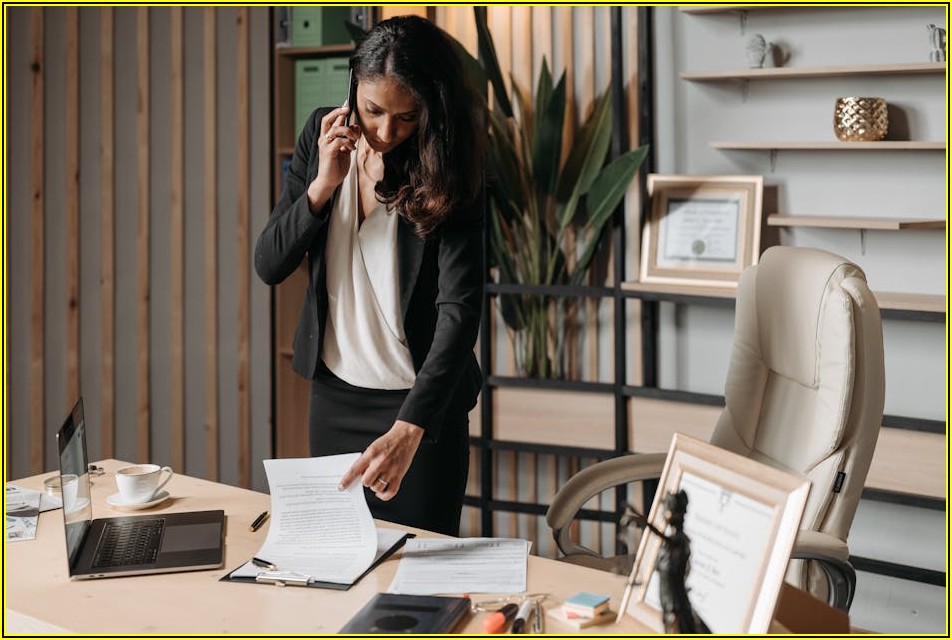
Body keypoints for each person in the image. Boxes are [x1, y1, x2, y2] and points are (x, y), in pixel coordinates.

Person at [254, 16, 485, 536]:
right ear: (353, 87)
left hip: (419, 409)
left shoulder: (449, 167)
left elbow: (460, 313)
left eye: (406, 117)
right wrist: (321, 186)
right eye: (374, 110)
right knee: (336, 568)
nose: (385, 132)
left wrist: (411, 428)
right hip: (335, 400)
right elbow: (270, 262)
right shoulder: (320, 135)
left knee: (418, 574)